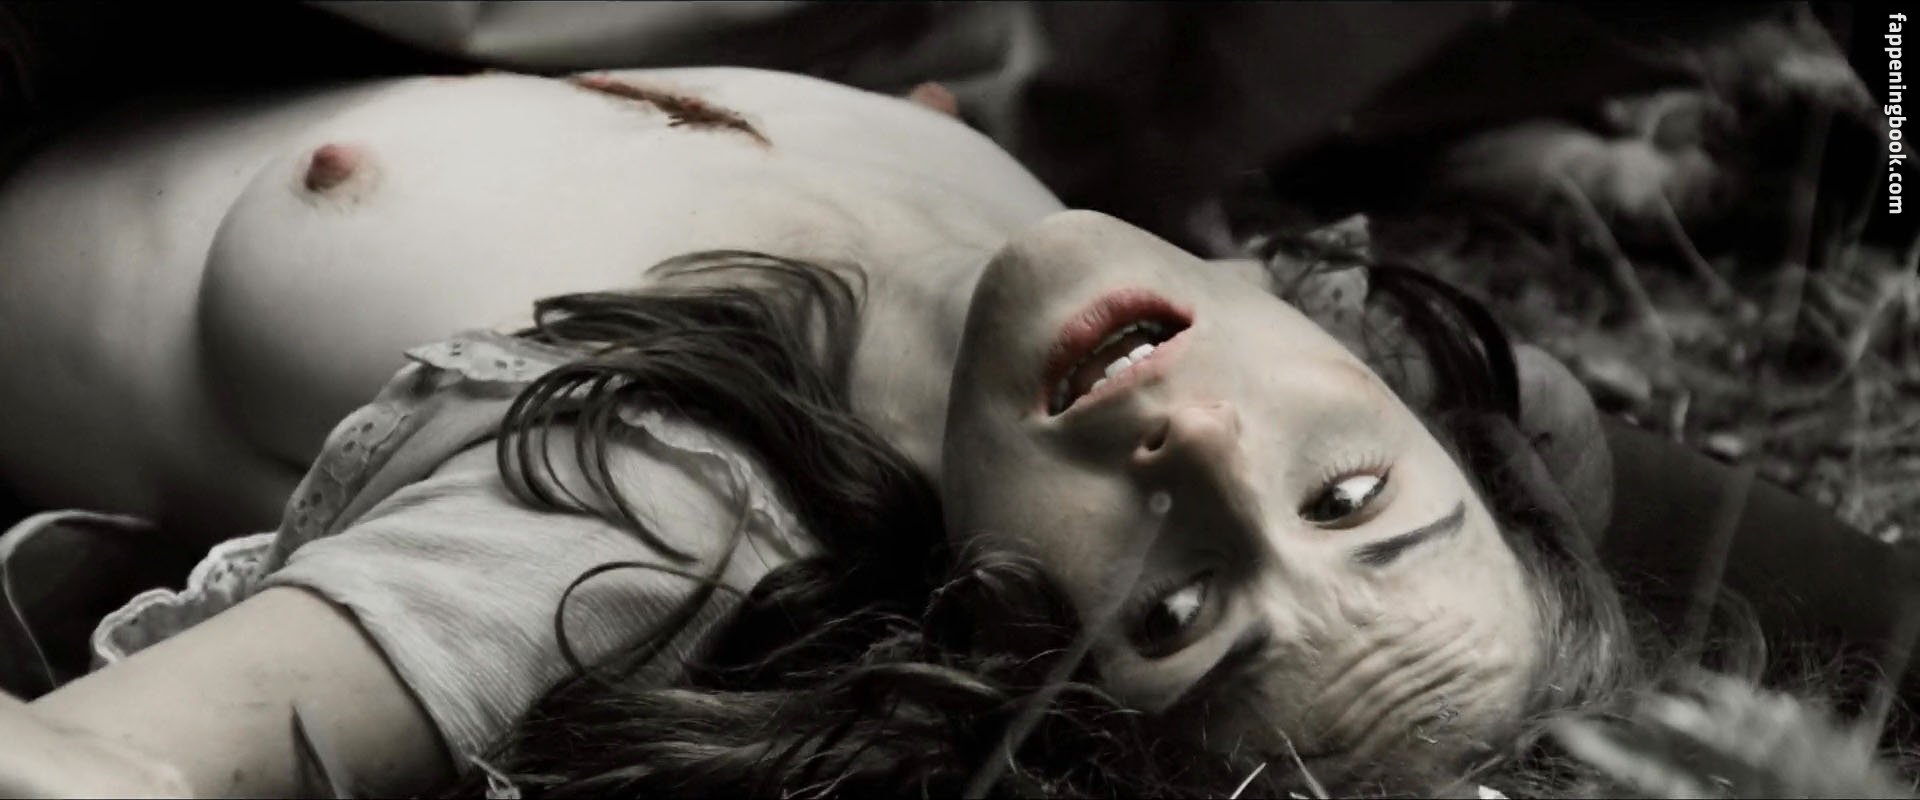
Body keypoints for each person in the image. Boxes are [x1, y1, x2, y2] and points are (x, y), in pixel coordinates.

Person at [0, 66, 1906, 797]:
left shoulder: (657, 516)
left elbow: (102, 772)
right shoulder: (1356, 342)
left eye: (1173, 613)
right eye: (1346, 497)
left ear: (998, 643)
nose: (1201, 456)